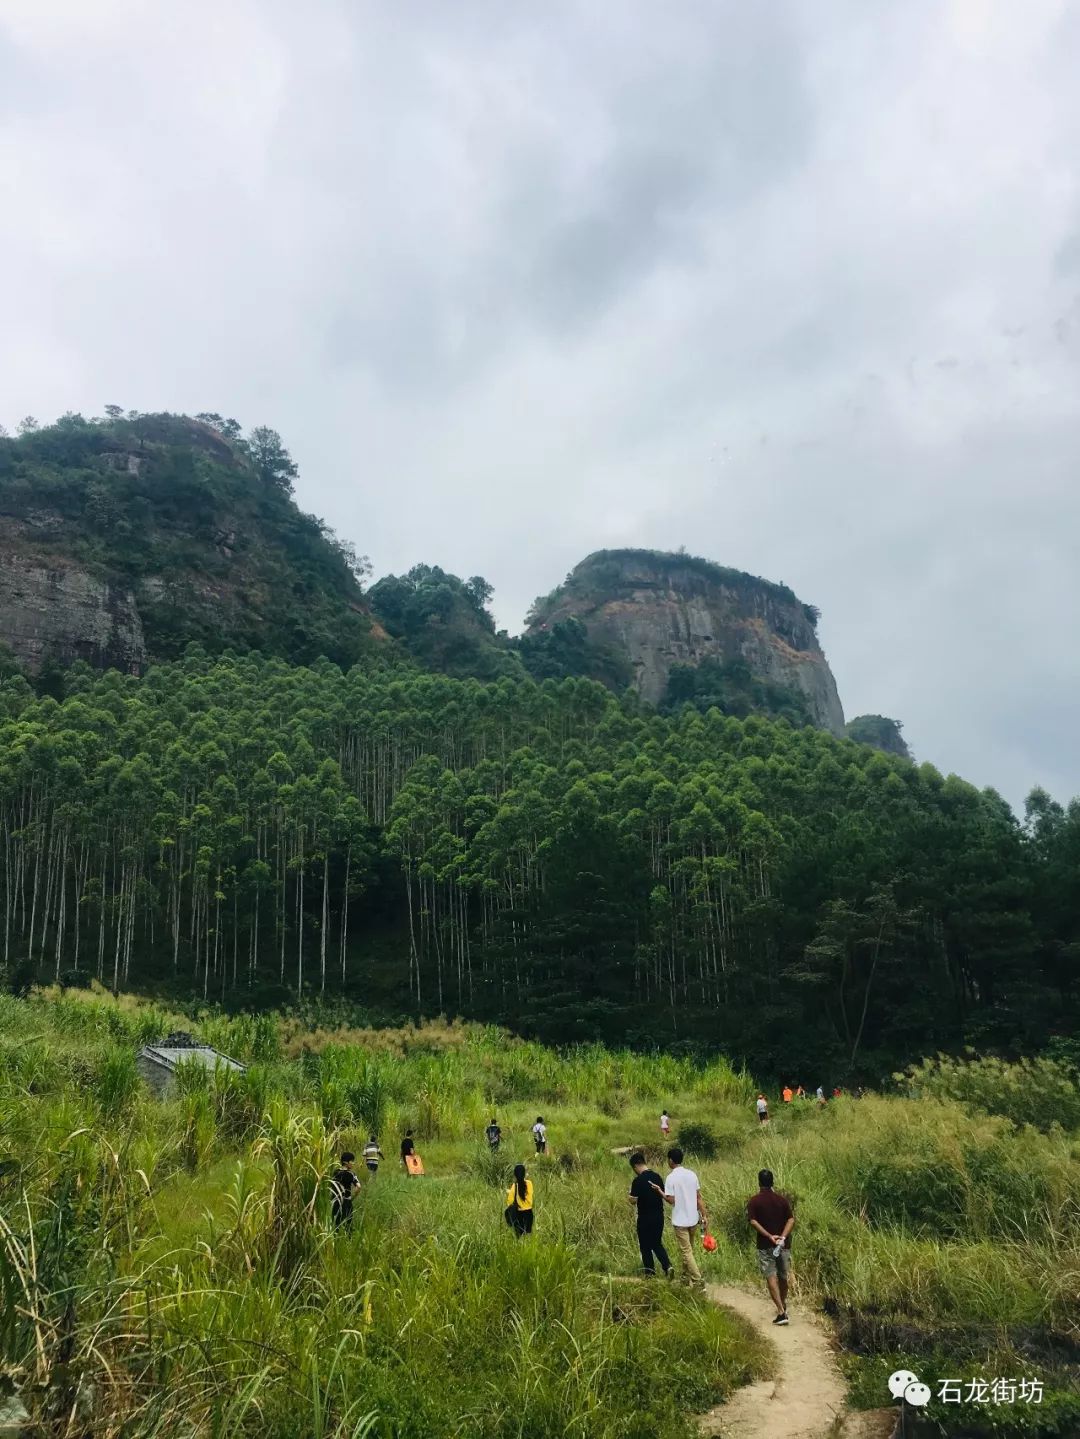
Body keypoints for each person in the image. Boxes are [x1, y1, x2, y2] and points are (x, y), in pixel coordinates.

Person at [654, 1147, 707, 1291]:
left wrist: (660, 1192)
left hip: (680, 1221)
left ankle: (697, 1281)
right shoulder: (692, 1174)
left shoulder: (671, 1177)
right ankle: (685, 1277)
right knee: (688, 1250)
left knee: (686, 1251)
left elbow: (671, 1200)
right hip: (693, 1218)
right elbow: (698, 1197)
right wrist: (704, 1215)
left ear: (671, 1160)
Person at [747, 1168, 795, 1325]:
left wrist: (769, 1236)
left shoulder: (754, 1201)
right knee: (783, 1276)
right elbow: (791, 1220)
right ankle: (783, 1304)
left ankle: (781, 1312)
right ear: (772, 1181)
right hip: (784, 1245)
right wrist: (783, 1236)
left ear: (759, 1182)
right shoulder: (782, 1200)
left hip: (766, 1244)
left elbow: (753, 1221)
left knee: (770, 1276)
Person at [628, 1151, 671, 1278]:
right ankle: (668, 1266)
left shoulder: (637, 1180)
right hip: (659, 1216)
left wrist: (629, 1196)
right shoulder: (657, 1176)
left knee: (645, 1245)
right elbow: (663, 1193)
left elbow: (633, 1200)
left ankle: (650, 1273)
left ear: (635, 1166)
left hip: (645, 1218)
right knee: (656, 1243)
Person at [330, 1151, 359, 1228]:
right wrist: (353, 1197)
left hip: (335, 1201)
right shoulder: (351, 1174)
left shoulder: (335, 1172)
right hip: (346, 1201)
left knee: (336, 1224)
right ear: (346, 1162)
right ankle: (348, 1238)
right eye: (352, 1161)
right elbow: (358, 1187)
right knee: (348, 1224)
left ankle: (335, 1238)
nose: (353, 1163)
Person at [505, 1163, 534, 1237]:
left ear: (515, 1175)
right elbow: (527, 1193)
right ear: (524, 1174)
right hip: (529, 1213)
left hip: (519, 1214)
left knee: (519, 1236)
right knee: (528, 1235)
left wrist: (510, 1192)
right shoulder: (529, 1183)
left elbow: (510, 1202)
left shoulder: (514, 1186)